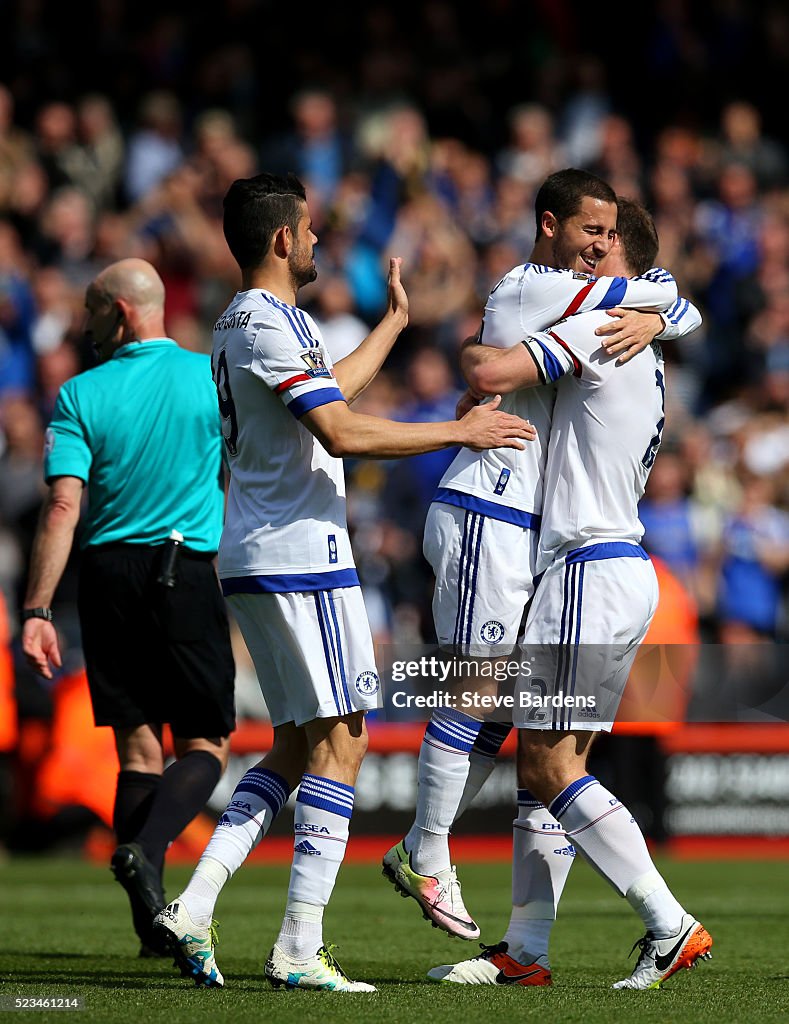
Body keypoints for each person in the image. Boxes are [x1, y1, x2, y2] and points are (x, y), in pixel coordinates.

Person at [152, 171, 534, 993]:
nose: (322, 239)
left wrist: (395, 322)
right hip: (299, 554)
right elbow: (338, 427)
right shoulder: (261, 321)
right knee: (347, 742)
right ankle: (297, 947)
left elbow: (336, 390)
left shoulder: (255, 321)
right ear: (283, 239)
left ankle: (195, 899)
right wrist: (457, 430)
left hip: (265, 549)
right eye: (313, 228)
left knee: (295, 745)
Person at [382, 169, 700, 940]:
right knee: (515, 723)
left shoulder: (601, 319)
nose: (594, 251)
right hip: (523, 526)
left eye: (606, 240)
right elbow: (679, 304)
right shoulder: (555, 295)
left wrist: (470, 359)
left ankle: (662, 922)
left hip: (571, 554)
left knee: (545, 757)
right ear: (552, 224)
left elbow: (488, 368)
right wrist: (663, 315)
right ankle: (515, 935)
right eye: (586, 233)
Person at [21, 258, 236, 957]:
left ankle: (149, 930)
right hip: (183, 566)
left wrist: (37, 609)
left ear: (118, 311)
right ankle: (144, 848)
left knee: (138, 750)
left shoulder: (79, 393)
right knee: (204, 743)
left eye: (90, 315)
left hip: (107, 574)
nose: (86, 329)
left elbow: (62, 506)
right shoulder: (210, 375)